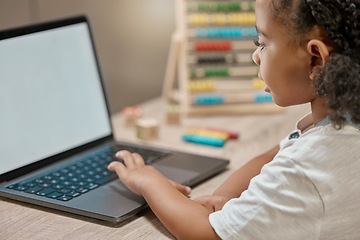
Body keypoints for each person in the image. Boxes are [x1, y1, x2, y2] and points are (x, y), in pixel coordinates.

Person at [108, 0, 360, 239]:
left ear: (315, 59)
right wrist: (224, 196)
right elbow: (273, 156)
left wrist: (149, 182)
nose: (255, 56)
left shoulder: (308, 167)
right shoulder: (341, 124)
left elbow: (205, 233)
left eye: (262, 43)